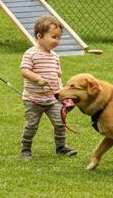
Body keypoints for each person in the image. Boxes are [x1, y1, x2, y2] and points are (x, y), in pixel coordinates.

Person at [19, 15, 78, 159]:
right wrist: (37, 78)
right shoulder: (31, 54)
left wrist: (62, 95)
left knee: (60, 123)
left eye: (59, 37)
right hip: (33, 100)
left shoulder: (55, 56)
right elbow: (24, 71)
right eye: (53, 37)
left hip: (52, 100)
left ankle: (61, 147)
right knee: (31, 125)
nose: (57, 41)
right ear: (39, 36)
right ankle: (26, 149)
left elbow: (58, 76)